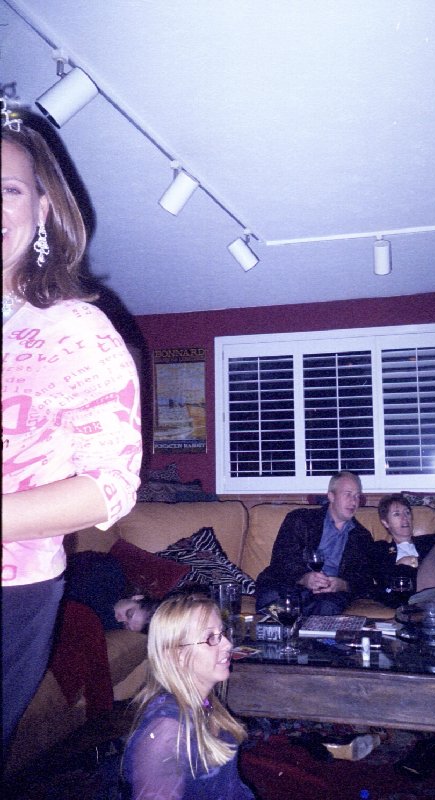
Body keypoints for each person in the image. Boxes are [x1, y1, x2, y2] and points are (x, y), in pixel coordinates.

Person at [2, 111, 142, 755]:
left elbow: (110, 487)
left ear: (43, 209)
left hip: (11, 589)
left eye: (7, 189)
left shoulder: (75, 330)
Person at [122, 594, 255, 799]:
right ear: (178, 655)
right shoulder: (167, 733)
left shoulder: (203, 700)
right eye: (211, 638)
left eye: (222, 633)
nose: (228, 645)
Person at [255, 471, 375, 615]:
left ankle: (300, 623)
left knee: (328, 608)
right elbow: (282, 558)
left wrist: (342, 584)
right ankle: (290, 620)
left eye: (357, 496)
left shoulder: (362, 536)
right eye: (348, 494)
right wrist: (304, 578)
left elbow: (365, 579)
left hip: (327, 595)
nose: (354, 502)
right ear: (331, 496)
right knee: (270, 598)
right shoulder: (300, 519)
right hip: (291, 585)